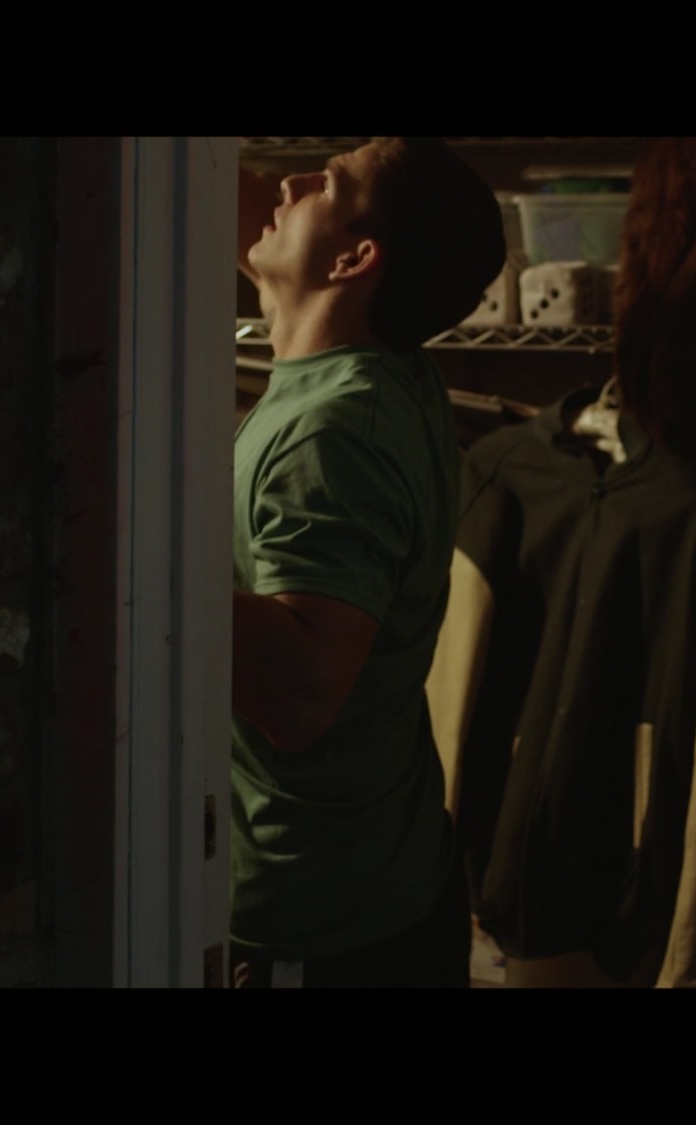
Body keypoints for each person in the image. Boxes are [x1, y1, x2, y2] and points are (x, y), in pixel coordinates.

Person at [229, 138, 505, 988]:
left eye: (326, 182)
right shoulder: (383, 367)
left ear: (355, 260)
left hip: (322, 918)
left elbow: (303, 691)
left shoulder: (334, 433)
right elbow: (251, 205)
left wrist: (141, 547)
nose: (290, 182)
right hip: (385, 876)